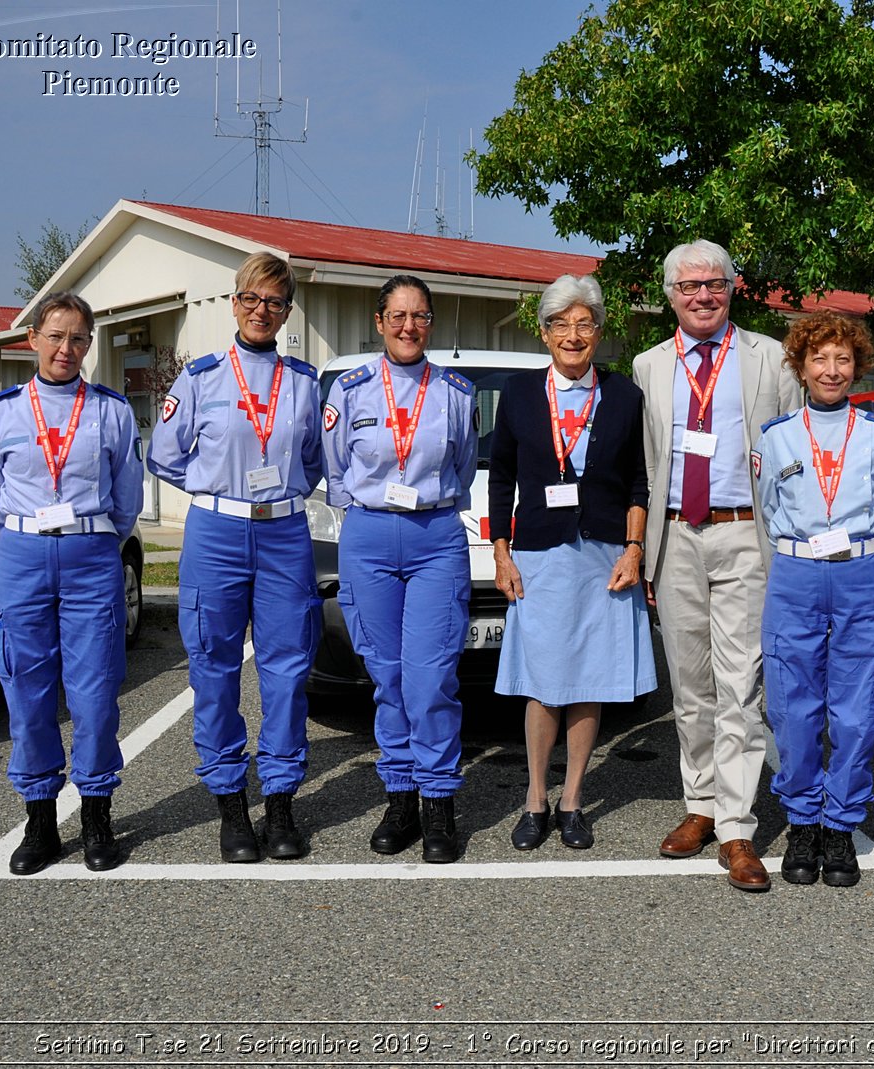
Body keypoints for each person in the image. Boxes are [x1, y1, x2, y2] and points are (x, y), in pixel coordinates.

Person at [634, 239, 803, 893]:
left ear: (733, 287)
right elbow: (643, 463)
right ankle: (700, 802)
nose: (702, 295)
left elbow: (793, 448)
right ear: (671, 295)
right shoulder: (649, 366)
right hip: (675, 537)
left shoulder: (768, 359)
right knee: (691, 686)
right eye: (689, 286)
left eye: (714, 284)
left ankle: (737, 825)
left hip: (743, 534)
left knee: (742, 687)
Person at [148, 251, 323, 863]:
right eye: (251, 298)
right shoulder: (199, 378)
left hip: (282, 534)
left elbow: (314, 462)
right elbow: (165, 455)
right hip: (216, 533)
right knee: (214, 671)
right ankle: (229, 803)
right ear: (234, 302)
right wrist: (214, 483)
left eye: (274, 302)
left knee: (286, 671)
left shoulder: (304, 382)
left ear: (287, 311)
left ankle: (279, 802)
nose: (260, 310)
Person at [0, 292, 143, 874]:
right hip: (22, 556)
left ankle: (97, 815)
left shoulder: (111, 411)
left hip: (91, 554)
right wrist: (26, 539)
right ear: (32, 340)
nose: (65, 349)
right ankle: (40, 819)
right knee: (28, 689)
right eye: (55, 336)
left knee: (95, 691)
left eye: (77, 338)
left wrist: (93, 540)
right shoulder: (0, 413)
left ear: (88, 344)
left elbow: (127, 499)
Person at [489, 275, 655, 851]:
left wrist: (635, 550)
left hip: (604, 557)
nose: (574, 334)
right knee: (543, 681)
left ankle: (573, 800)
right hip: (539, 557)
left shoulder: (626, 396)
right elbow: (502, 477)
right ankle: (535, 797)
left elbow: (639, 480)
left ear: (600, 332)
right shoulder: (517, 395)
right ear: (544, 332)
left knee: (591, 680)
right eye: (562, 323)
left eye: (585, 323)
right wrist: (501, 552)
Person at [323, 275, 477, 864]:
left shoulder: (456, 393)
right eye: (398, 315)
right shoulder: (351, 389)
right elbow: (336, 469)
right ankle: (400, 797)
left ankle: (439, 801)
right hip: (369, 535)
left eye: (420, 316)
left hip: (435, 537)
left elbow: (461, 466)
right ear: (379, 321)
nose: (409, 326)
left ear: (431, 324)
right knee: (387, 677)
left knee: (430, 677)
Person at [752, 311, 874, 888]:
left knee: (858, 707)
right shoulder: (777, 436)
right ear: (801, 365)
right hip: (797, 572)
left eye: (843, 359)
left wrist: (859, 553)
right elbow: (769, 509)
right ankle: (803, 820)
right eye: (820, 358)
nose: (832, 370)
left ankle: (841, 823)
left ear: (857, 365)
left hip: (861, 573)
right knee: (792, 704)